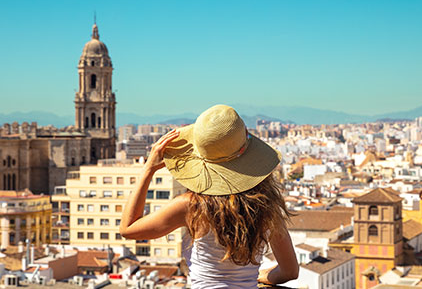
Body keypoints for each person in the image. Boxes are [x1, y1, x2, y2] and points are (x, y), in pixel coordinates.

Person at [120, 104, 299, 288]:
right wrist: (257, 278)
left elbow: (128, 228)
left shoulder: (192, 206)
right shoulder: (267, 206)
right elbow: (290, 271)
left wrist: (148, 168)